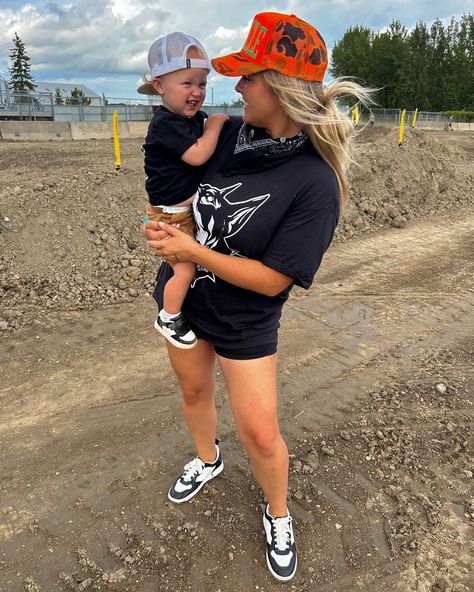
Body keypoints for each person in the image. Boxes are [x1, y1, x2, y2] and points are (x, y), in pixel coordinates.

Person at [144, 12, 371, 582]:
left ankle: (277, 513)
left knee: (261, 432)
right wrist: (169, 234)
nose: (236, 85)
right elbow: (187, 194)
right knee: (193, 389)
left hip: (245, 320)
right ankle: (206, 459)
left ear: (281, 87)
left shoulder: (315, 183)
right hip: (187, 301)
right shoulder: (232, 139)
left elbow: (273, 280)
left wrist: (191, 253)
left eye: (249, 76)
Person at [138, 32, 229, 348]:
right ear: (160, 86)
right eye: (187, 83)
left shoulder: (191, 119)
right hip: (172, 216)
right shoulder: (166, 124)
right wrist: (216, 126)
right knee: (186, 268)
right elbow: (198, 154)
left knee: (194, 262)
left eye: (202, 84)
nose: (196, 92)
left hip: (182, 211)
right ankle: (169, 316)